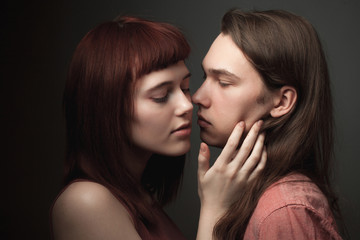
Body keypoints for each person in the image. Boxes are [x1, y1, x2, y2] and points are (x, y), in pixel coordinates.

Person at [50, 16, 267, 239]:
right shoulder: (86, 202)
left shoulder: (138, 196)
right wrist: (215, 209)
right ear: (107, 108)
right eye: (161, 96)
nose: (187, 105)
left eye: (184, 88)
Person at [192, 9, 343, 240]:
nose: (198, 97)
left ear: (282, 102)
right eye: (205, 77)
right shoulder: (250, 195)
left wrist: (212, 210)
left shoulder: (285, 211)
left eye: (223, 82)